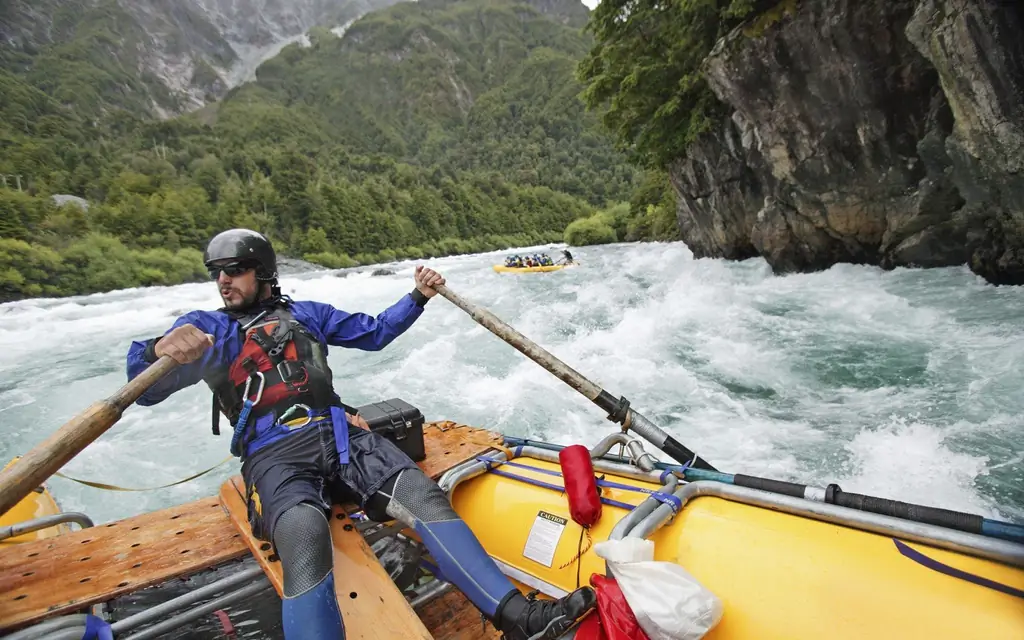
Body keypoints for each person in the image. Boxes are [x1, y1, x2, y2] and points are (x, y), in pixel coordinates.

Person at [125, 229, 595, 640]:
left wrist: (417, 297)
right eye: (217, 272)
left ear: (263, 273)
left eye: (235, 269)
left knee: (422, 495)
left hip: (340, 435)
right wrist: (154, 349)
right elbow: (145, 390)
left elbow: (374, 333)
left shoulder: (307, 313)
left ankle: (520, 618)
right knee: (305, 535)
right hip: (273, 455)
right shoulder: (208, 332)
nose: (223, 280)